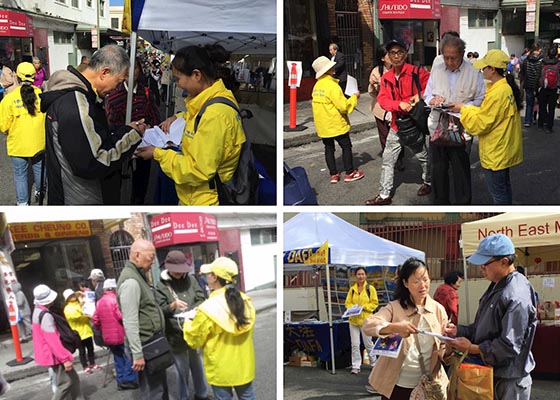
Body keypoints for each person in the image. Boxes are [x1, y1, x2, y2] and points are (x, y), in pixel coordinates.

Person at [134, 44, 245, 205]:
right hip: (197, 196)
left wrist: (157, 153)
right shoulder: (213, 102)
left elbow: (197, 170)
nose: (177, 85)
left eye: (178, 79)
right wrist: (178, 116)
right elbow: (198, 117)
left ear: (196, 75)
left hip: (205, 201)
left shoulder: (215, 116)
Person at [40, 44, 147, 205]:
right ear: (104, 72)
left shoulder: (79, 98)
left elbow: (93, 139)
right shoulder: (76, 104)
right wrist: (132, 136)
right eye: (118, 81)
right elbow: (95, 160)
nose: (116, 88)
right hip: (80, 203)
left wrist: (123, 131)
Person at [445, 233, 537, 400]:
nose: (481, 269)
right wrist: (458, 330)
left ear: (504, 262)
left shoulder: (516, 294)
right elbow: (483, 328)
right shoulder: (497, 285)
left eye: (485, 264)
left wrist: (471, 348)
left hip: (509, 379)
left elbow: (509, 346)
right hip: (493, 373)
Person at [362, 258, 449, 399]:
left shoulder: (438, 309)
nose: (423, 285)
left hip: (429, 384)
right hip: (398, 385)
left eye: (425, 279)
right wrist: (394, 327)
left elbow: (444, 346)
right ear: (405, 283)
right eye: (416, 281)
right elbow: (368, 324)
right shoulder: (394, 307)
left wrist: (450, 344)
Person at [450, 49, 523, 205]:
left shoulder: (497, 93)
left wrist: (463, 110)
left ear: (492, 69)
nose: (482, 70)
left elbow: (481, 124)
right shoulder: (504, 88)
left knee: (498, 194)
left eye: (485, 67)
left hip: (496, 150)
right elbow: (488, 114)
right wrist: (466, 107)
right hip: (503, 148)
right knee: (504, 188)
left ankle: (503, 222)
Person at [366, 39, 432, 206]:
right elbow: (383, 99)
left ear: (406, 53)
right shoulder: (387, 78)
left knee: (422, 156)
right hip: (396, 125)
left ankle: (429, 182)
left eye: (400, 52)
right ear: (388, 56)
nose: (396, 56)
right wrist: (399, 104)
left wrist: (418, 97)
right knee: (388, 160)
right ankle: (384, 194)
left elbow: (432, 87)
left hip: (414, 124)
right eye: (392, 53)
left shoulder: (417, 72)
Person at [183, 257, 256, 400]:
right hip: (244, 366)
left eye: (208, 273)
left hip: (220, 368)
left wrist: (187, 322)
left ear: (214, 277)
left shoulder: (208, 308)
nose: (205, 276)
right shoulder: (245, 301)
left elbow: (194, 339)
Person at [424, 35, 486, 205]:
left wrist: (463, 107)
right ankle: (440, 204)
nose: (449, 62)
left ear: (462, 54)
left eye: (454, 58)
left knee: (461, 171)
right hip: (437, 127)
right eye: (446, 57)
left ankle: (463, 205)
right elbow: (427, 93)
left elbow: (482, 98)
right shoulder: (437, 70)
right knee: (438, 171)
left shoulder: (473, 72)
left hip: (462, 129)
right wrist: (431, 100)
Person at [117, 239, 170, 399]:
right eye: (151, 257)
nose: (153, 262)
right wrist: (137, 353)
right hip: (146, 346)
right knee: (153, 391)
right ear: (137, 255)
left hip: (151, 342)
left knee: (159, 387)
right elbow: (130, 321)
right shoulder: (131, 281)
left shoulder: (139, 276)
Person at [105, 57, 161, 204]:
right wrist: (129, 128)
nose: (132, 72)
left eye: (135, 68)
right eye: (128, 68)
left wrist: (148, 125)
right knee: (118, 185)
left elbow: (155, 118)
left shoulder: (147, 93)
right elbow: (110, 124)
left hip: (144, 145)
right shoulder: (113, 95)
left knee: (141, 186)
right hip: (121, 146)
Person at [155, 250, 209, 400]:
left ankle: (202, 394)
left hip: (193, 329)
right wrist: (172, 306)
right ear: (169, 268)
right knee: (182, 370)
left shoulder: (191, 280)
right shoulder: (161, 285)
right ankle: (183, 397)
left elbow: (200, 297)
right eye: (176, 272)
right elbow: (160, 310)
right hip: (176, 333)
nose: (180, 274)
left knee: (197, 366)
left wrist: (197, 307)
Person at [310, 55, 364, 184]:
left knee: (329, 149)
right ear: (327, 70)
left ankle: (333, 174)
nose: (333, 67)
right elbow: (344, 107)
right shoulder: (332, 86)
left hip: (323, 125)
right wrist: (354, 97)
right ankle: (350, 173)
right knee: (346, 147)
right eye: (331, 66)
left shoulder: (317, 86)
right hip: (336, 123)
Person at [0, 62, 46, 206]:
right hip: (39, 142)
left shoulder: (8, 99)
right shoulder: (41, 95)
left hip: (18, 144)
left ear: (17, 77)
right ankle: (40, 192)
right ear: (33, 76)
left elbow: (3, 126)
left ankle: (23, 203)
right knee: (39, 170)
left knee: (20, 175)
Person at [32, 284, 84, 399]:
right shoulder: (45, 316)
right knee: (66, 383)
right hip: (55, 355)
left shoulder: (37, 311)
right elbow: (53, 340)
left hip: (49, 353)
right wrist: (65, 359)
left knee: (73, 380)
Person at [92, 279, 138, 391]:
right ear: (114, 289)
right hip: (120, 334)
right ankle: (128, 379)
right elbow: (120, 316)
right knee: (128, 357)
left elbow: (95, 319)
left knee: (117, 358)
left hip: (108, 337)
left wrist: (102, 328)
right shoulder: (116, 300)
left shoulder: (99, 302)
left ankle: (120, 380)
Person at [369, 46, 404, 169]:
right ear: (382, 58)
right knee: (385, 136)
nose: (393, 56)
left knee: (400, 134)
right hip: (381, 109)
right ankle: (390, 161)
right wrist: (376, 87)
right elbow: (371, 92)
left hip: (398, 108)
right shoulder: (376, 72)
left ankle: (399, 159)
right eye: (389, 54)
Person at [344, 267, 379, 374]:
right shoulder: (352, 289)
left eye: (362, 274)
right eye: (358, 274)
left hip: (366, 321)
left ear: (366, 275)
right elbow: (347, 303)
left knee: (368, 343)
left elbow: (374, 303)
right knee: (355, 344)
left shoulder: (370, 288)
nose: (361, 276)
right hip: (353, 320)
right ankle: (356, 365)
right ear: (355, 276)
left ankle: (374, 364)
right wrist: (353, 308)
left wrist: (363, 307)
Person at [63, 288, 101, 374]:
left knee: (91, 348)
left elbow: (87, 309)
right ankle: (85, 366)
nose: (72, 297)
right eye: (70, 296)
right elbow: (75, 316)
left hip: (87, 330)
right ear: (67, 299)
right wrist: (84, 310)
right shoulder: (67, 308)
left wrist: (80, 295)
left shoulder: (79, 303)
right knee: (82, 351)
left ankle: (92, 363)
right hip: (78, 333)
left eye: (73, 295)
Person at [538, 47, 559, 134]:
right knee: (551, 109)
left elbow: (538, 75)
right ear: (556, 55)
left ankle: (541, 124)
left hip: (543, 88)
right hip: (554, 89)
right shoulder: (558, 64)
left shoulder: (543, 63)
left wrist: (537, 87)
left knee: (542, 107)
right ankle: (549, 127)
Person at [520, 44, 543, 127]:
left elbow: (522, 73)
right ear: (537, 50)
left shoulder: (526, 60)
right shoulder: (541, 61)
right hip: (537, 85)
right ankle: (535, 119)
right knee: (538, 103)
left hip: (528, 84)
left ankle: (527, 121)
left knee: (529, 103)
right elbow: (540, 74)